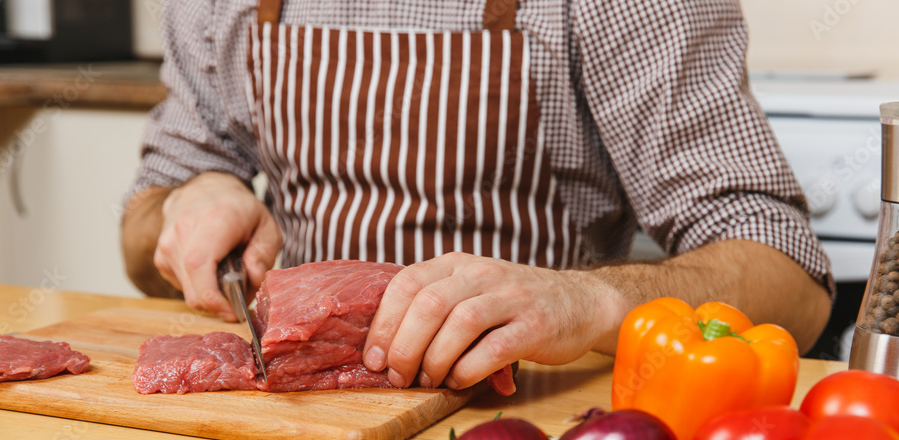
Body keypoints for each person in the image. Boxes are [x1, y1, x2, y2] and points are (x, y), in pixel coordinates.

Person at [121, 0, 834, 393]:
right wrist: (191, 199)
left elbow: (792, 278)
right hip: (292, 417)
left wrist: (586, 301)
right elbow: (142, 227)